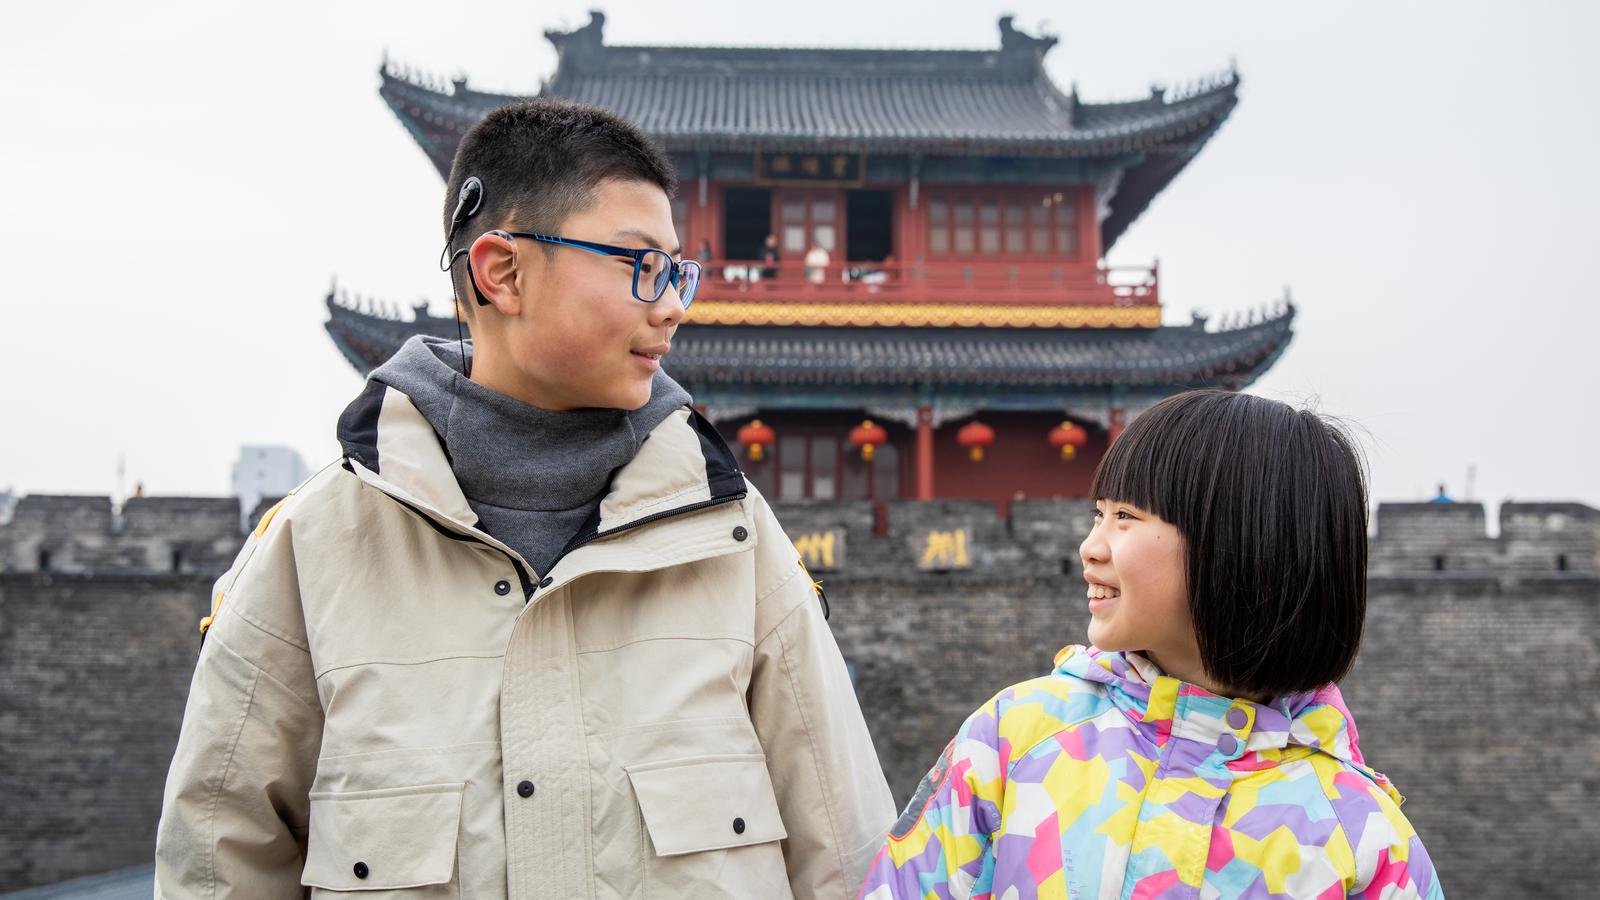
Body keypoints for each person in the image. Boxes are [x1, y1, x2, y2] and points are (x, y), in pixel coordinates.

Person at [156, 98, 893, 899]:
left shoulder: (735, 540)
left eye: (679, 270)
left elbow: (848, 857)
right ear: (502, 272)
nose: (676, 305)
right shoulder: (316, 545)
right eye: (641, 264)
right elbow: (218, 867)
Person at [859, 390, 1444, 900]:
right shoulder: (1017, 740)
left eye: (1125, 516)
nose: (1090, 546)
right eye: (1098, 514)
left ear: (1238, 543)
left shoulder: (1359, 830)